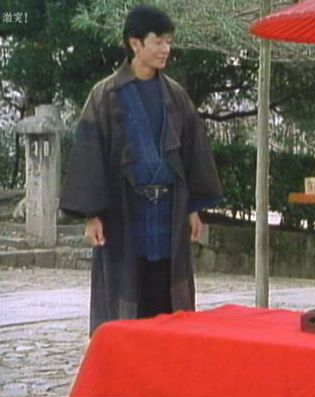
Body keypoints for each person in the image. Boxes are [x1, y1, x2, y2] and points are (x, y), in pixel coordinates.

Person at [59, 5, 222, 334]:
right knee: (125, 297)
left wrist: (192, 208)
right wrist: (92, 214)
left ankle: (168, 361)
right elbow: (90, 154)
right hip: (124, 212)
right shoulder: (104, 95)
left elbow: (192, 153)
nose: (166, 49)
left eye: (168, 41)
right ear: (135, 43)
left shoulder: (175, 95)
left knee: (167, 298)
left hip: (168, 212)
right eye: (158, 41)